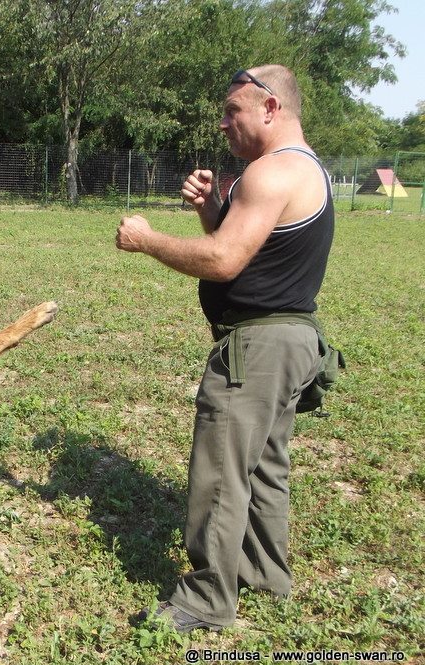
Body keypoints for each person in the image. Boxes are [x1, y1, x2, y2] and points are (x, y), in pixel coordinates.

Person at [115, 65, 334, 632]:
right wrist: (211, 208)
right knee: (263, 467)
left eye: (233, 110)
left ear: (270, 107)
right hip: (290, 341)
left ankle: (206, 601)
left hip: (259, 346)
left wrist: (145, 240)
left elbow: (224, 259)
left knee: (220, 470)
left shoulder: (271, 172)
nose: (223, 123)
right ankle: (264, 574)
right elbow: (250, 247)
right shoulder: (302, 168)